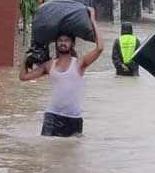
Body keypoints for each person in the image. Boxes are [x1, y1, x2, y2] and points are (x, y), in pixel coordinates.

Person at [19, 7, 104, 137]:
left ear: (72, 44)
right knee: (49, 152)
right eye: (60, 41)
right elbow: (24, 77)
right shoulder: (48, 65)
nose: (62, 43)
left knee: (71, 154)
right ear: (56, 44)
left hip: (74, 119)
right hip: (52, 117)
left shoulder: (80, 63)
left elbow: (100, 48)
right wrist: (25, 58)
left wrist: (92, 18)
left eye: (66, 41)